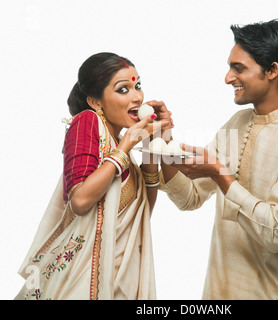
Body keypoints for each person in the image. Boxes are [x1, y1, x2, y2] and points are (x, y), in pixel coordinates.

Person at [159, 19, 278, 299]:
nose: (228, 78)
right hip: (222, 293)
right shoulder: (237, 123)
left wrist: (220, 174)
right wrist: (160, 141)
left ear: (272, 71)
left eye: (238, 68)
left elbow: (276, 233)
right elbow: (190, 197)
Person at [15, 52, 172, 300]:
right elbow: (80, 201)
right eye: (123, 89)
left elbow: (141, 217)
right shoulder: (87, 122)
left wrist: (152, 147)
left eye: (138, 86)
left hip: (118, 278)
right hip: (82, 279)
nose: (137, 97)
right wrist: (124, 148)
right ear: (96, 102)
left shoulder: (121, 147)